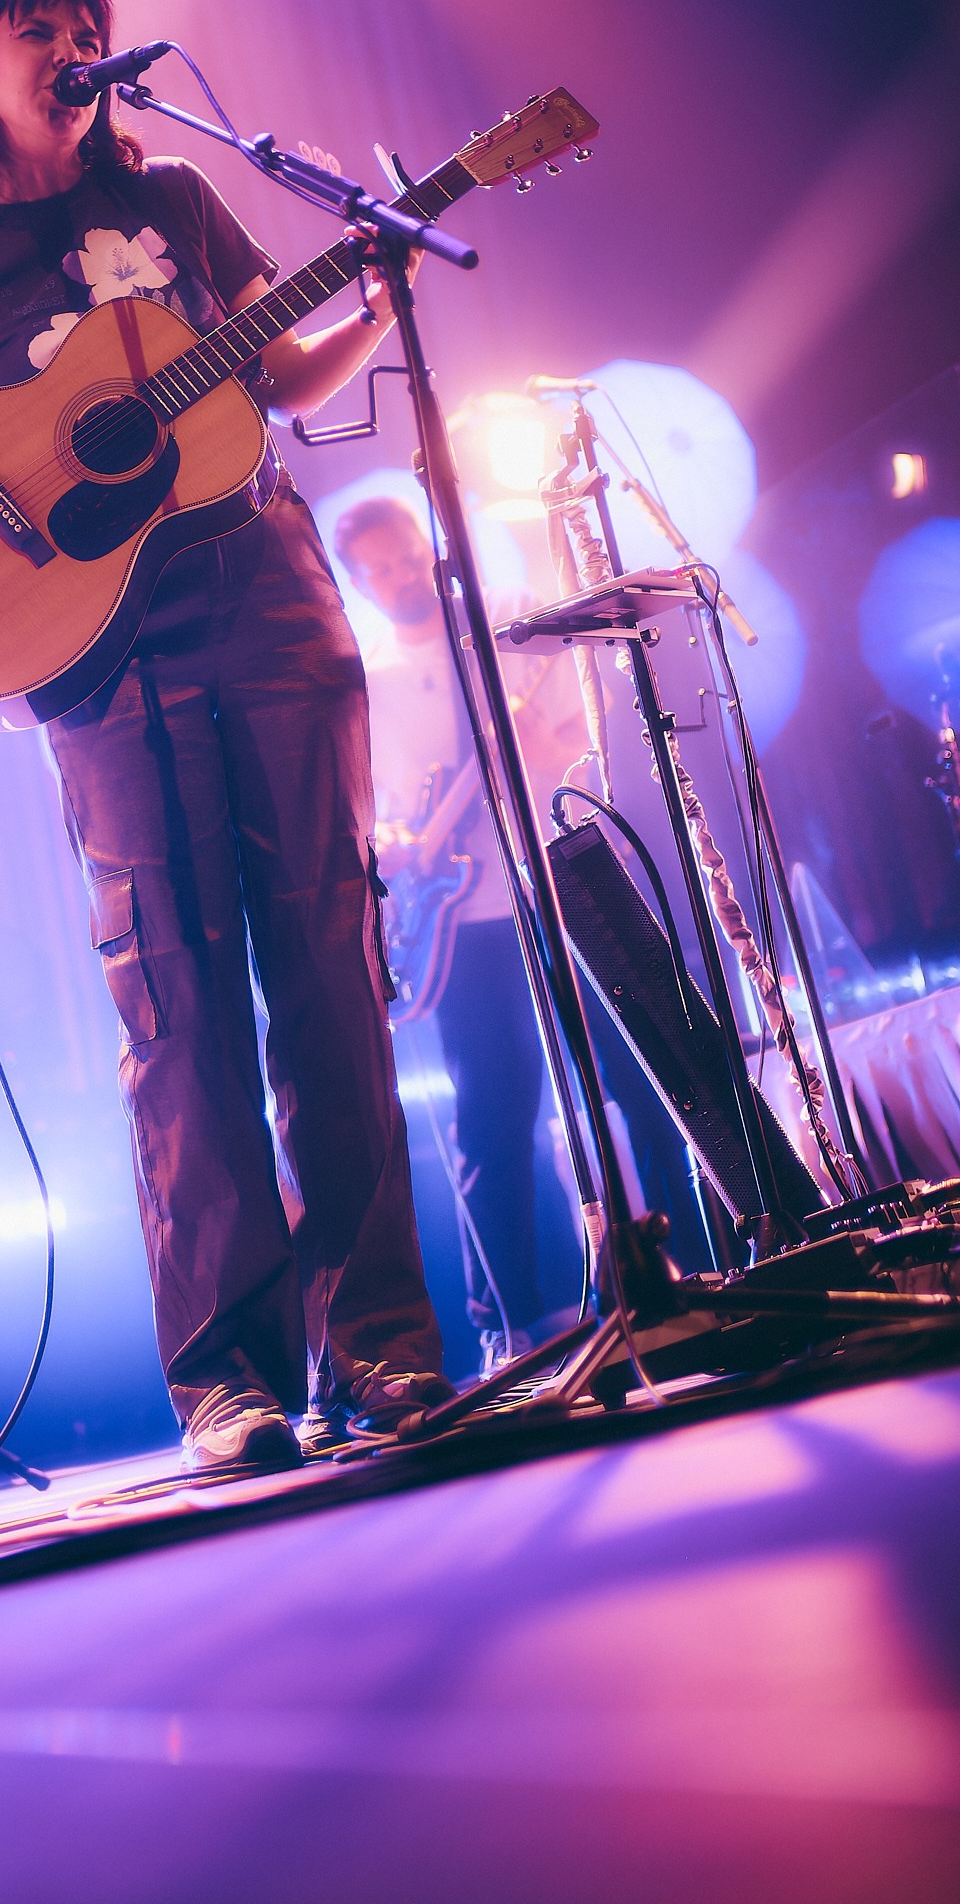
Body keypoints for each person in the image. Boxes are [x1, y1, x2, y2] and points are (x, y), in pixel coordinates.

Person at [0, 0, 450, 1469]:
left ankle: (383, 1347)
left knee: (331, 974)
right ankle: (230, 1384)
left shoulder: (182, 202)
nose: (73, 51)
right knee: (176, 1007)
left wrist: (375, 293)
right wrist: (2, 638)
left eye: (88, 33)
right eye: (39, 34)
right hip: (108, 658)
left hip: (267, 601)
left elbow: (281, 374)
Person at [335, 495, 589, 1368]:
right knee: (491, 1113)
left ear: (427, 545)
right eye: (380, 569)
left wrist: (538, 746)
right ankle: (507, 1318)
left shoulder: (494, 633)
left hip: (546, 887)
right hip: (455, 923)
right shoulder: (364, 680)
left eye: (407, 555)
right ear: (359, 582)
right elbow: (362, 812)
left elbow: (572, 745)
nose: (401, 575)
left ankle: (637, 1275)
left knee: (606, 1088)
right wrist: (392, 842)